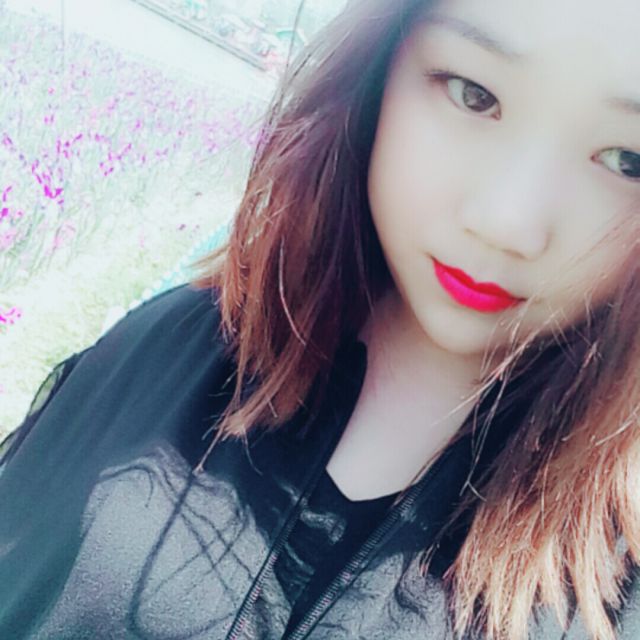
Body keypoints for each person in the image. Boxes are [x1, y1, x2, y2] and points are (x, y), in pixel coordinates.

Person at [2, 0, 640, 638]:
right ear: (380, 68)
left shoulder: (618, 575)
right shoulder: (176, 345)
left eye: (626, 161)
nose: (507, 223)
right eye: (474, 95)